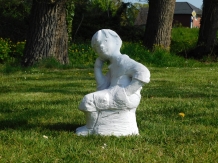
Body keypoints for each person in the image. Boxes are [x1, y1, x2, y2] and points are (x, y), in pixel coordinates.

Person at [76, 29, 150, 136]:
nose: (101, 46)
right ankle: (94, 126)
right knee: (90, 100)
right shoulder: (114, 65)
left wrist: (126, 92)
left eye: (105, 41)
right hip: (114, 93)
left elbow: (143, 73)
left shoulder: (124, 62)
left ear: (117, 41)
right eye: (96, 46)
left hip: (123, 96)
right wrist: (97, 67)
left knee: (88, 100)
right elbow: (103, 87)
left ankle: (90, 128)